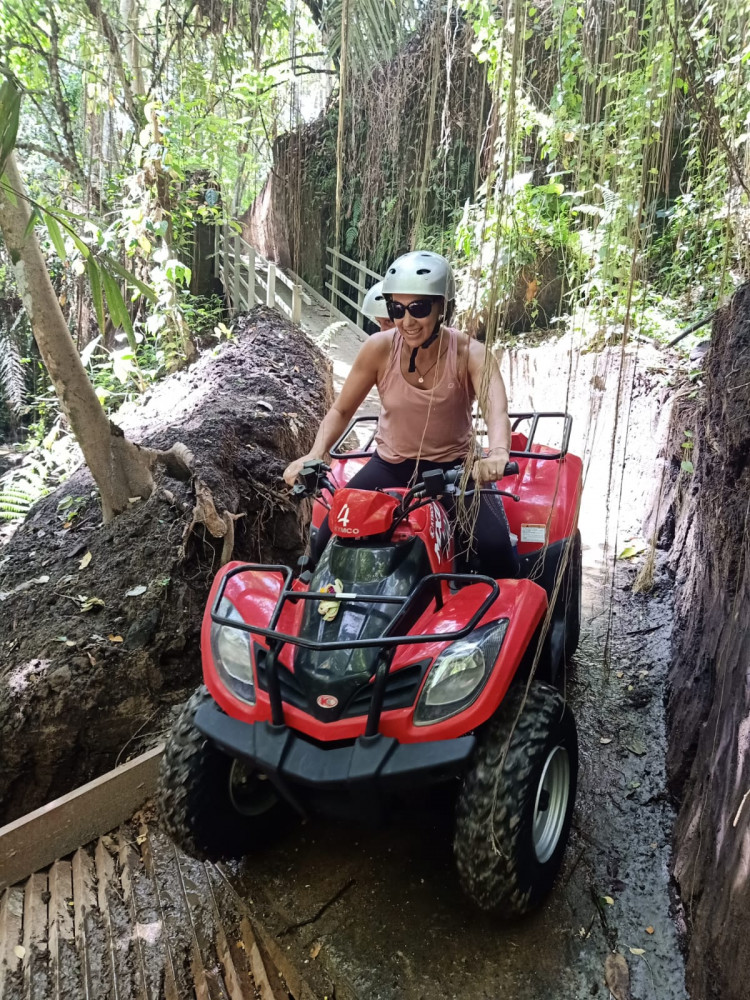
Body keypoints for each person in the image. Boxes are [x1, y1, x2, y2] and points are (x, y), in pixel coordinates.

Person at [283, 250, 518, 577]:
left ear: (442, 308)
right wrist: (315, 453)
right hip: (392, 465)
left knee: (496, 550)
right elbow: (341, 409)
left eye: (419, 308)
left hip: (455, 468)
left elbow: (496, 412)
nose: (406, 321)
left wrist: (497, 454)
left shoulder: (471, 354)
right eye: (397, 309)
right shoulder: (378, 349)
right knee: (328, 538)